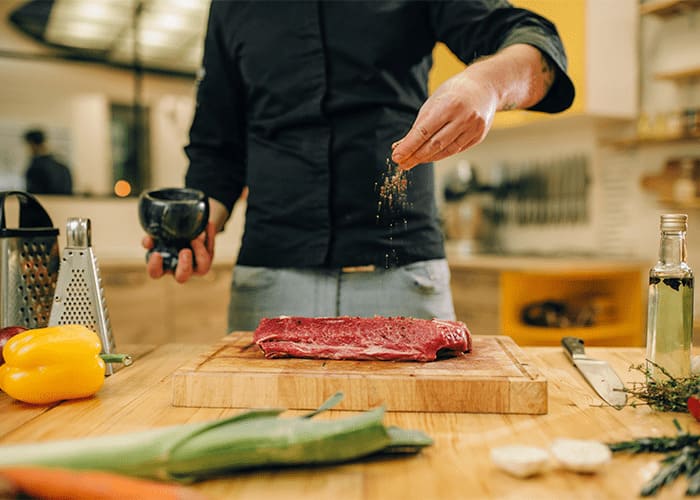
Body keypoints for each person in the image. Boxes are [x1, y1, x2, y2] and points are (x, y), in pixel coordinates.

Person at [144, 1, 575, 332]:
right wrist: (198, 223)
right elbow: (216, 146)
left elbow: (535, 44)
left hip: (402, 277)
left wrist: (488, 83)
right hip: (270, 279)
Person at [23, 129, 73, 195]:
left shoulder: (35, 167)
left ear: (32, 144)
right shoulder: (63, 166)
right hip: (63, 204)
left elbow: (33, 194)